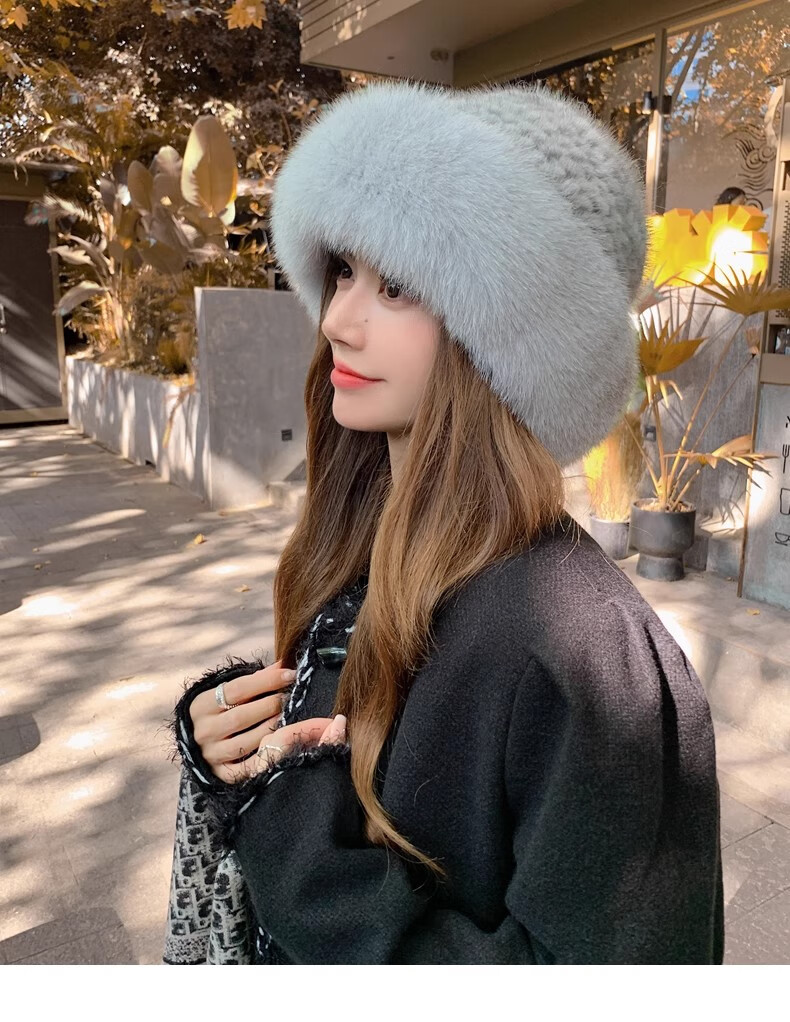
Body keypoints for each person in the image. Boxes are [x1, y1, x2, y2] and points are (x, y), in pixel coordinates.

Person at [163, 79, 724, 965]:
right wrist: (234, 740)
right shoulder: (360, 546)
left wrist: (301, 858)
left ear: (509, 335)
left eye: (396, 285)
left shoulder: (590, 657)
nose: (337, 319)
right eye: (343, 271)